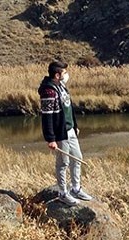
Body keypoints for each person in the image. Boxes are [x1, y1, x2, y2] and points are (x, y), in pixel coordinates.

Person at [38, 60, 92, 206]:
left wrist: (74, 125)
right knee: (63, 163)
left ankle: (76, 188)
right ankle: (63, 193)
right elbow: (47, 116)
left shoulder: (61, 86)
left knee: (77, 158)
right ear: (57, 75)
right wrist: (50, 138)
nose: (67, 75)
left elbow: (68, 108)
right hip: (60, 133)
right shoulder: (48, 91)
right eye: (64, 73)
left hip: (70, 130)